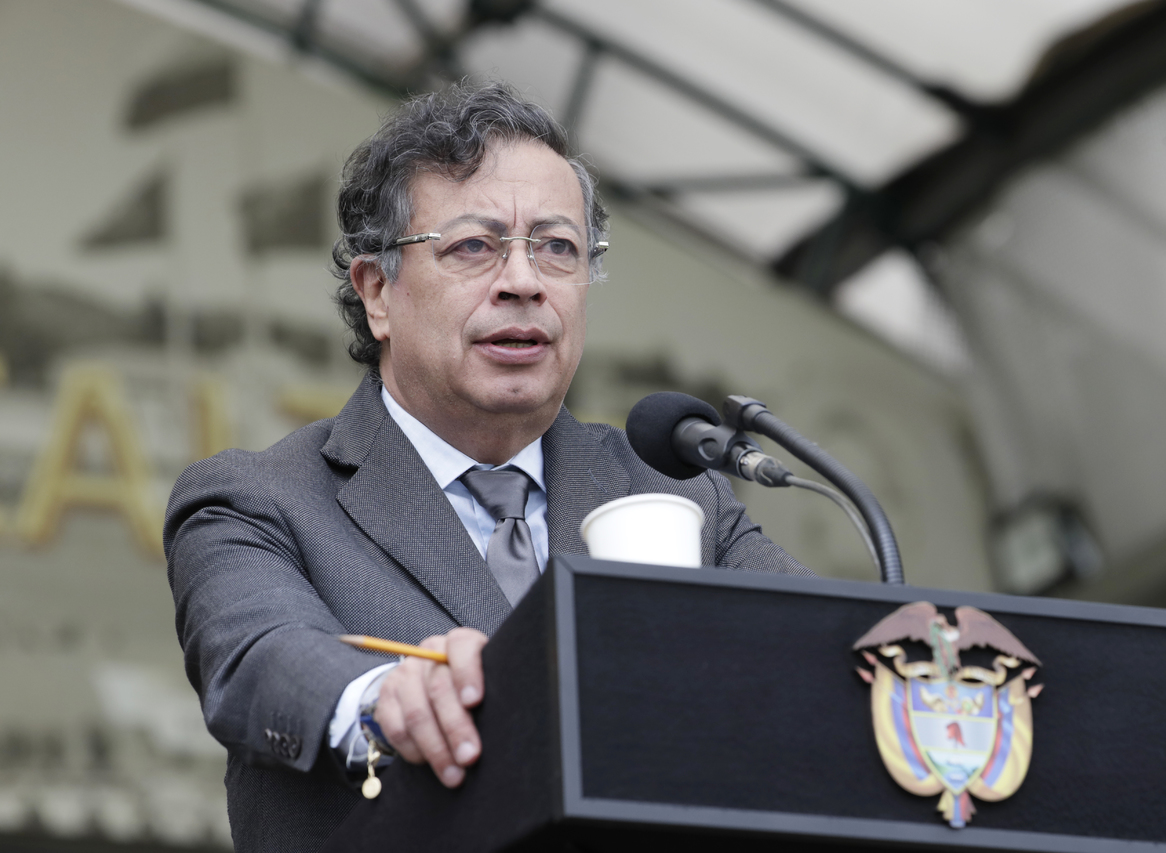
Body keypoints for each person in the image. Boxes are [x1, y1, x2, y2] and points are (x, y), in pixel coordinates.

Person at [164, 82, 810, 853]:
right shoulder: (255, 501)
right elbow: (262, 656)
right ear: (377, 291)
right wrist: (386, 699)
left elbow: (819, 652)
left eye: (557, 247)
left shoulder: (676, 491)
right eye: (474, 246)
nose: (524, 281)